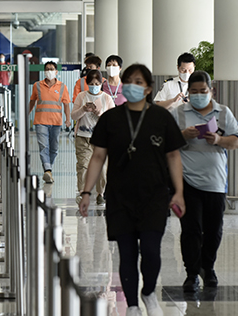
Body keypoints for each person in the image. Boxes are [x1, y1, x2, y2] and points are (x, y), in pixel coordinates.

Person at [78, 64, 187, 316]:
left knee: (150, 249)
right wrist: (86, 192)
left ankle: (148, 291)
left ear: (148, 88)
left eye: (138, 82)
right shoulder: (111, 118)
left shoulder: (161, 118)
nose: (132, 86)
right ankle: (133, 305)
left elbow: (173, 156)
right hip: (120, 197)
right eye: (128, 81)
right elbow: (97, 157)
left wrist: (179, 191)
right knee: (126, 253)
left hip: (155, 195)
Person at [171, 71, 238, 292]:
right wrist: (183, 135)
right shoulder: (178, 113)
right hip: (187, 181)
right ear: (188, 93)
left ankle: (208, 268)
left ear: (210, 90)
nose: (199, 95)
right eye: (194, 92)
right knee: (191, 229)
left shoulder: (223, 113)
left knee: (214, 229)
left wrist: (219, 139)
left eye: (203, 91)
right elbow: (166, 143)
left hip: (215, 182)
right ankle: (191, 274)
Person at [72, 69, 115, 205]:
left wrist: (99, 113)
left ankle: (100, 193)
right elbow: (73, 116)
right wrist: (83, 109)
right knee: (83, 166)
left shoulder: (106, 98)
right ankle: (82, 192)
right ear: (87, 83)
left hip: (102, 140)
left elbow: (113, 120)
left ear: (101, 83)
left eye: (97, 83)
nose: (94, 86)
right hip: (83, 137)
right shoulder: (81, 96)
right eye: (91, 83)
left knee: (102, 168)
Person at [28, 61, 72, 183]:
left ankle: (48, 170)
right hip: (40, 121)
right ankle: (47, 169)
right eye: (47, 69)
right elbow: (32, 101)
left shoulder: (62, 87)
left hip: (56, 122)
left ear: (56, 71)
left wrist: (68, 119)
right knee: (44, 147)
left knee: (54, 149)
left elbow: (66, 105)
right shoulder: (37, 85)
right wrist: (26, 114)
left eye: (52, 69)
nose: (49, 71)